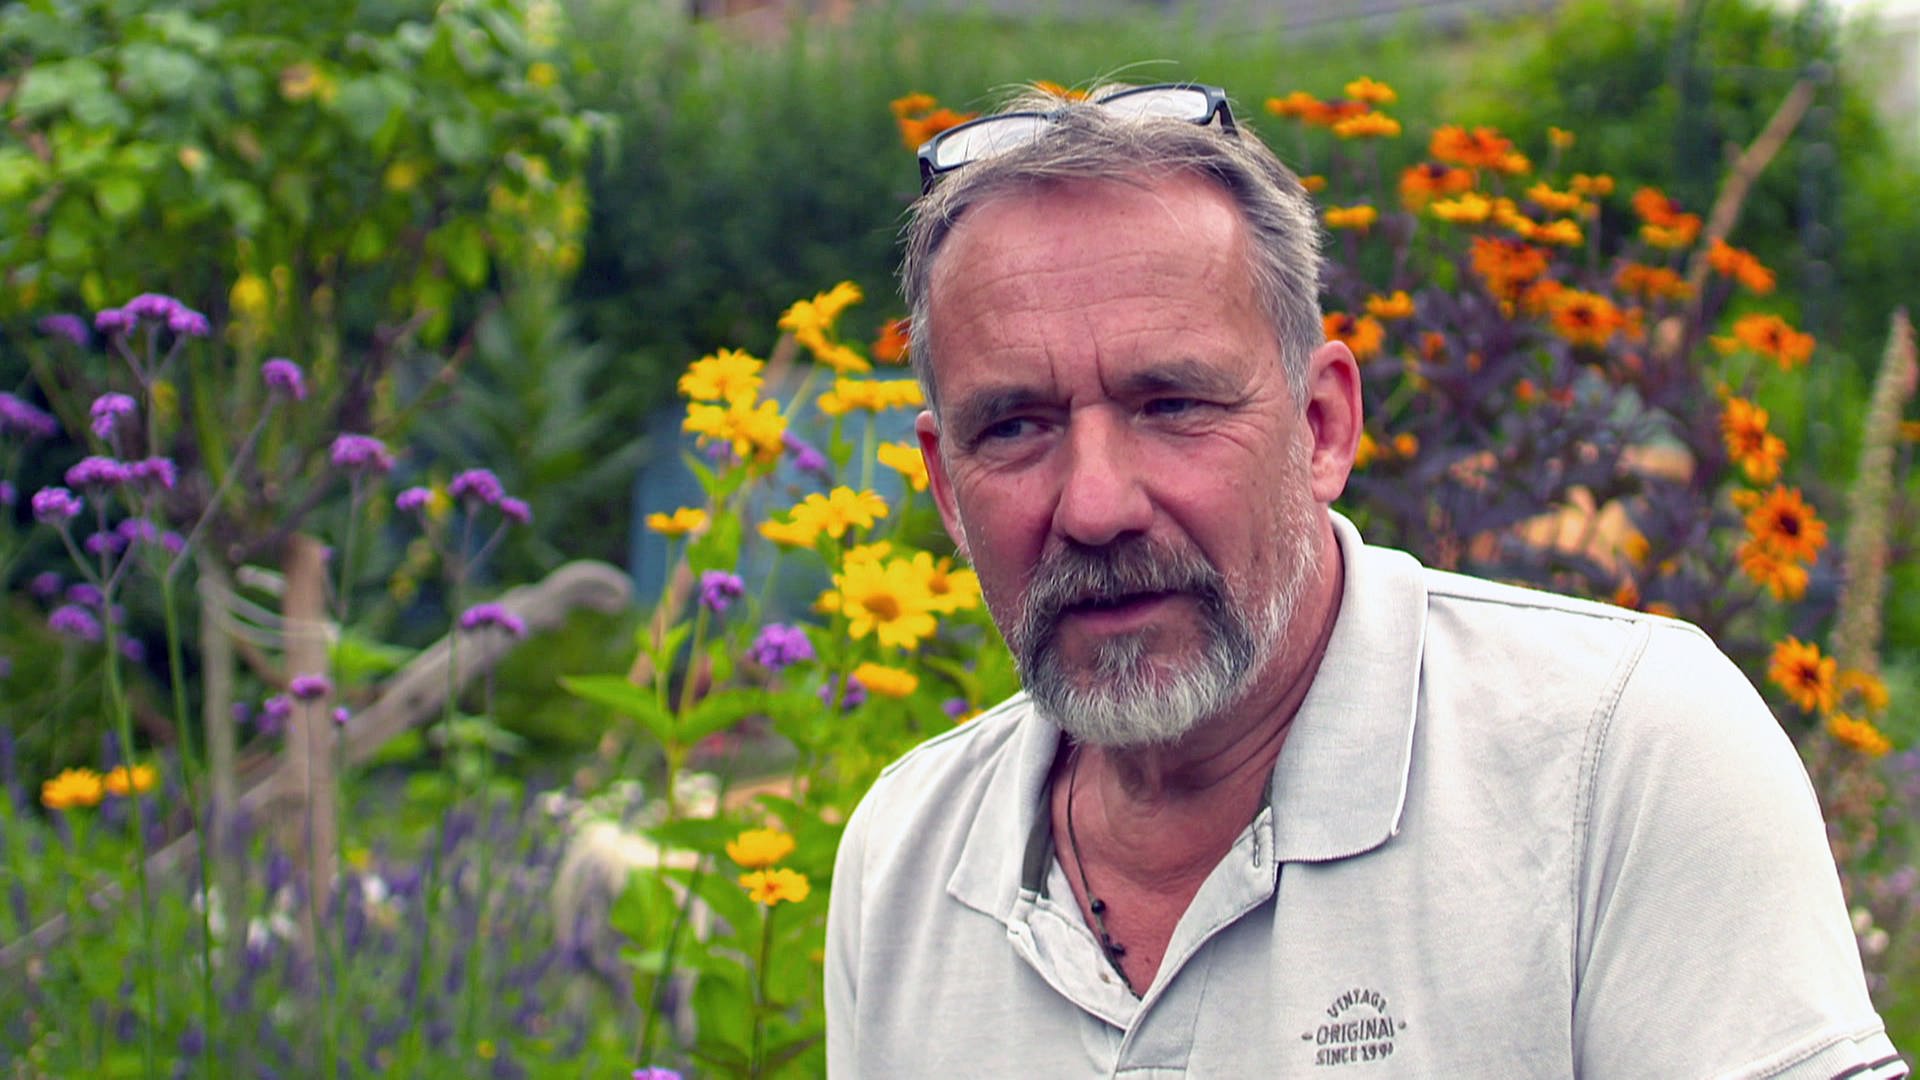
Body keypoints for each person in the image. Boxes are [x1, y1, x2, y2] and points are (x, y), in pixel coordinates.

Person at [823, 82, 1904, 1078]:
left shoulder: (1620, 756)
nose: (1096, 506)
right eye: (1016, 427)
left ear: (1323, 426)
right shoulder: (903, 861)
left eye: (1173, 405)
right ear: (948, 489)